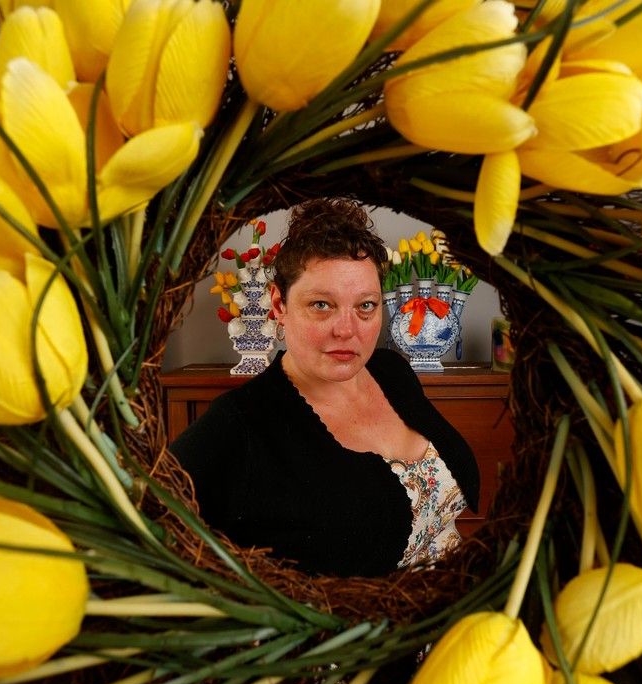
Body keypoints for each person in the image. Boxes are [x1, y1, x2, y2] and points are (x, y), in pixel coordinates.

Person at [171, 198, 479, 577]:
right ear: (279, 305)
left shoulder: (391, 371)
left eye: (365, 306)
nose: (346, 330)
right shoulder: (240, 422)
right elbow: (149, 523)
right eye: (321, 305)